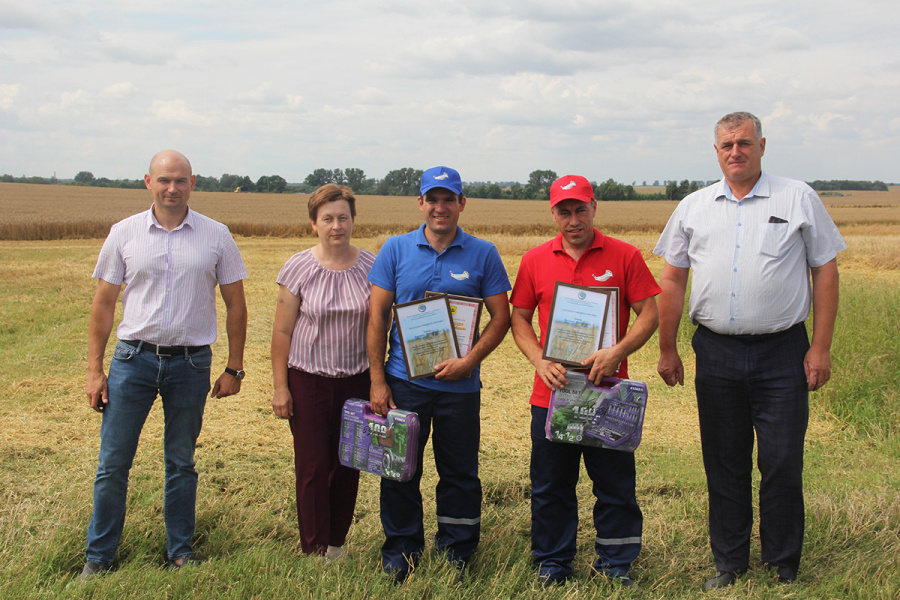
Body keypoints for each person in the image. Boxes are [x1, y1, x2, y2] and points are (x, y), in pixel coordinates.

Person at [654, 112, 846, 589]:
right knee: (724, 460)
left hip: (782, 353)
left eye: (743, 143)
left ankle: (783, 561)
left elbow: (825, 269)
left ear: (762, 145)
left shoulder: (796, 197)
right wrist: (667, 347)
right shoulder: (694, 206)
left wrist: (820, 348)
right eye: (726, 145)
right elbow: (673, 277)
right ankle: (730, 561)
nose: (735, 152)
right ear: (715, 151)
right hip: (714, 352)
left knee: (781, 461)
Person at [82, 150, 248, 578]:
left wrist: (234, 367)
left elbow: (236, 304)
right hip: (132, 361)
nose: (171, 188)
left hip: (191, 365)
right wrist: (94, 369)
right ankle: (98, 557)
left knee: (181, 462)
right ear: (147, 182)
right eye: (163, 180)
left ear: (193, 183)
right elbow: (103, 305)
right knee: (113, 463)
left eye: (180, 180)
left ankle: (180, 551)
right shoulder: (124, 233)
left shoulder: (217, 235)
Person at [509, 175, 660, 588]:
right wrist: (539, 359)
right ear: (553, 213)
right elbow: (518, 318)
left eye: (580, 209)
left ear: (594, 207)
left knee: (614, 485)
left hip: (609, 393)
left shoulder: (625, 256)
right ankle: (553, 563)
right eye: (564, 210)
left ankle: (616, 564)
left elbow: (650, 313)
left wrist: (618, 352)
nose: (572, 219)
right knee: (551, 485)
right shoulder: (534, 259)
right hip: (551, 392)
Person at [366, 166, 511, 581]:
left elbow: (500, 318)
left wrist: (471, 362)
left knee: (460, 474)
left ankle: (457, 553)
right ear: (420, 203)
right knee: (399, 471)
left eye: (449, 199)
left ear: (462, 203)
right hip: (403, 383)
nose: (441, 207)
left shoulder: (483, 254)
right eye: (433, 199)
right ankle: (401, 552)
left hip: (460, 389)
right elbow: (377, 317)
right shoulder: (394, 249)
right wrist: (378, 381)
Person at [270, 184, 376, 560]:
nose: (336, 226)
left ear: (352, 221)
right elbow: (282, 331)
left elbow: (381, 325)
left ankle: (336, 542)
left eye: (343, 217)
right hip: (308, 381)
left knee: (349, 463)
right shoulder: (298, 267)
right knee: (313, 465)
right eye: (327, 218)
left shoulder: (372, 266)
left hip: (356, 380)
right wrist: (281, 387)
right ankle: (313, 547)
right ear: (314, 223)